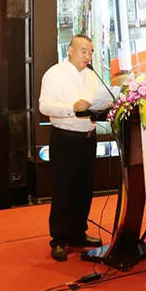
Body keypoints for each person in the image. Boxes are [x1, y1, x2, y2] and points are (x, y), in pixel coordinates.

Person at [39, 34, 103, 262]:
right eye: (84, 51)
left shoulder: (93, 76)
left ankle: (78, 233)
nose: (88, 56)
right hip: (65, 139)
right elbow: (44, 106)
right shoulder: (55, 73)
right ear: (70, 50)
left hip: (88, 138)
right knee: (63, 189)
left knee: (84, 189)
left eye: (91, 52)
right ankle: (58, 239)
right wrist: (72, 107)